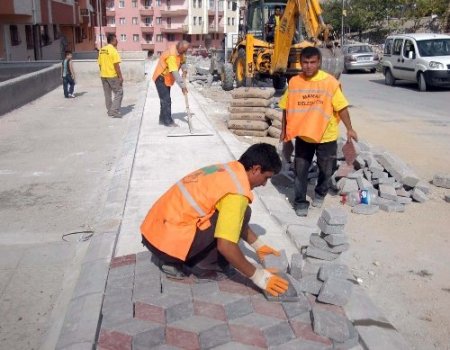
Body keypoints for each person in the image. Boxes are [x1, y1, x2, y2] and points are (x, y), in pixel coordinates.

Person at [140, 143, 289, 297]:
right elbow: (226, 246)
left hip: (153, 231)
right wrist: (259, 276)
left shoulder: (227, 169)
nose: (264, 184)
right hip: (166, 245)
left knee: (241, 212)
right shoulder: (236, 194)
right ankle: (203, 265)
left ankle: (176, 256)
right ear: (256, 169)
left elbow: (235, 219)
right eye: (266, 178)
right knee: (237, 217)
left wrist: (259, 246)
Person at [279, 46, 358, 217]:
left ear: (319, 63)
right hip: (304, 135)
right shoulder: (294, 82)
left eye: (312, 62)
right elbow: (286, 107)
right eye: (305, 62)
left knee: (326, 169)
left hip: (326, 135)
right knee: (300, 170)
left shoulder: (329, 82)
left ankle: (321, 192)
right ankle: (300, 202)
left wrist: (350, 129)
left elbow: (342, 107)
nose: (308, 66)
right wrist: (284, 131)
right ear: (300, 63)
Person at [152, 40, 190, 127]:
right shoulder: (171, 56)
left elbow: (183, 62)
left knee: (164, 100)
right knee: (166, 100)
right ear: (179, 47)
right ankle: (168, 121)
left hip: (166, 79)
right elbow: (175, 73)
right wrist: (183, 86)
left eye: (186, 51)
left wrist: (184, 69)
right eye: (184, 51)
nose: (185, 52)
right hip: (160, 78)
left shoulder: (180, 52)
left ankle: (162, 119)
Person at [98, 34, 123, 118]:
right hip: (112, 75)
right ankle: (114, 111)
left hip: (103, 75)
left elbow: (100, 64)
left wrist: (103, 72)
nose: (117, 41)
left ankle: (110, 111)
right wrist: (120, 77)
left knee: (107, 94)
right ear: (112, 41)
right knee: (119, 92)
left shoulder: (102, 50)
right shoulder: (113, 50)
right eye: (116, 40)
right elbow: (116, 65)